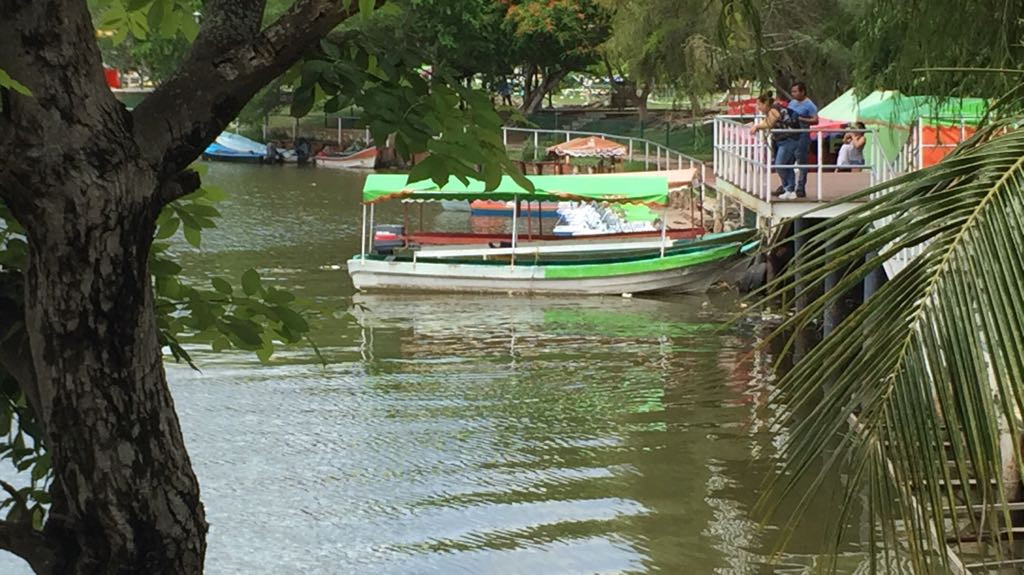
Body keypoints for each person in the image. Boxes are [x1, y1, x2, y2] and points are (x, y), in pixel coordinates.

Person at [750, 92, 802, 198]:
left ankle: (788, 187)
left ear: (765, 104)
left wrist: (757, 126)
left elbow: (770, 123)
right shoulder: (772, 110)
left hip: (788, 140)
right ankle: (789, 189)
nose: (758, 107)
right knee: (787, 165)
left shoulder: (774, 110)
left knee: (780, 164)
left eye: (759, 104)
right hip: (786, 139)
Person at [787, 81, 818, 198]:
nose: (793, 94)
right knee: (788, 160)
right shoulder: (792, 103)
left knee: (801, 161)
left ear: (802, 91)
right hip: (791, 134)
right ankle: (788, 185)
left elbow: (815, 120)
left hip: (802, 135)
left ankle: (801, 186)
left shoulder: (809, 105)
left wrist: (800, 118)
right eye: (792, 91)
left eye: (795, 91)